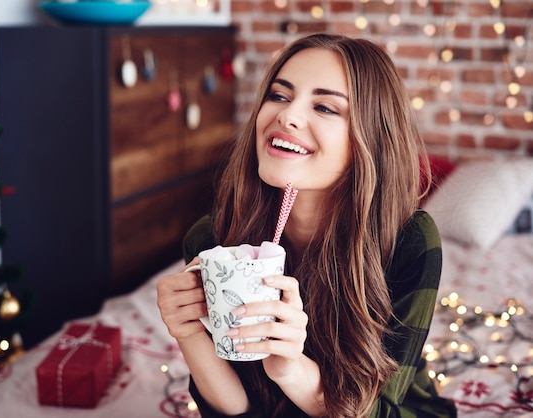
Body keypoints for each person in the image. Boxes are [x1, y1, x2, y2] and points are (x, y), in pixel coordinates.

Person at [156, 32, 457, 418]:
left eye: (326, 108)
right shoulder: (212, 240)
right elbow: (236, 412)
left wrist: (292, 371)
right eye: (279, 96)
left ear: (371, 138)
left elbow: (379, 411)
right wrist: (190, 334)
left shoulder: (408, 241)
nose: (287, 115)